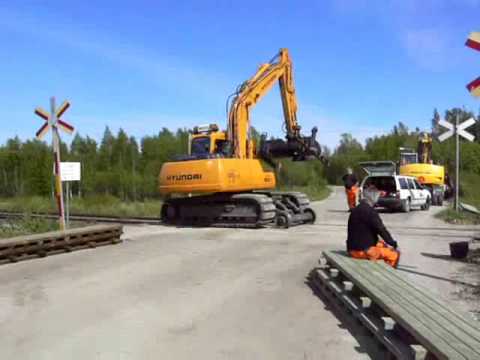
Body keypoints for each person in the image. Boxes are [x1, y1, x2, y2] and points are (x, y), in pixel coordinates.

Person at [346, 186, 400, 268]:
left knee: (383, 245)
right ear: (373, 198)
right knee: (394, 254)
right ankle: (388, 275)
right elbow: (381, 229)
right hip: (363, 251)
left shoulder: (355, 210)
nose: (377, 199)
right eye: (377, 197)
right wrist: (393, 243)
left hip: (351, 248)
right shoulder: (371, 212)